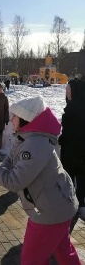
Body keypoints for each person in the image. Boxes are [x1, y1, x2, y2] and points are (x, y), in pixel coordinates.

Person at [0, 96, 81, 264]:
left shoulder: (35, 144)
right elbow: (9, 163)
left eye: (14, 116)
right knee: (63, 251)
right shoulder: (25, 137)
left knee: (32, 260)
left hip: (50, 212)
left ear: (25, 118)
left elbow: (14, 182)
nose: (11, 119)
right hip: (57, 206)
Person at [59, 74, 85, 220]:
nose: (66, 94)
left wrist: (64, 138)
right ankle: (73, 202)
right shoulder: (72, 106)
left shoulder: (77, 109)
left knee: (78, 177)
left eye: (68, 91)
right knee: (71, 176)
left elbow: (73, 130)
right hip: (71, 149)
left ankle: (78, 203)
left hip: (78, 150)